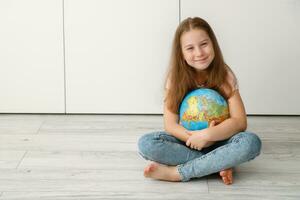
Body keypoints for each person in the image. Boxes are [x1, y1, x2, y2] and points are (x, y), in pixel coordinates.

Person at [138, 17, 262, 185]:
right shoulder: (175, 79)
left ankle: (178, 173)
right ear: (181, 53)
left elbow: (240, 122)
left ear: (213, 44)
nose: (199, 53)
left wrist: (209, 135)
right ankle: (219, 163)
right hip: (189, 141)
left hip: (222, 139)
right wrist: (197, 137)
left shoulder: (224, 76)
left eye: (204, 44)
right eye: (190, 48)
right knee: (147, 143)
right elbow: (170, 124)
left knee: (251, 143)